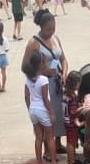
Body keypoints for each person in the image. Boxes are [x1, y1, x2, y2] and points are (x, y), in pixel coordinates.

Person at [24, 9, 67, 148]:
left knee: (59, 113)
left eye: (53, 28)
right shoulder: (34, 43)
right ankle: (48, 149)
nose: (51, 31)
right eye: (48, 29)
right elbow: (24, 66)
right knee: (47, 116)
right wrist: (41, 71)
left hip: (57, 82)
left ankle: (58, 144)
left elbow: (63, 59)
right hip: (43, 84)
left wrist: (64, 73)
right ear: (41, 27)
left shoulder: (56, 39)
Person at [24, 56, 55, 164]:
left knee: (38, 137)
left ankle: (39, 162)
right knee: (50, 137)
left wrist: (30, 110)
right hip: (43, 109)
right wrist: (51, 113)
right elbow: (45, 98)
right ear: (40, 64)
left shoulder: (27, 79)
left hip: (33, 109)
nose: (46, 64)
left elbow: (26, 97)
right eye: (45, 62)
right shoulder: (43, 79)